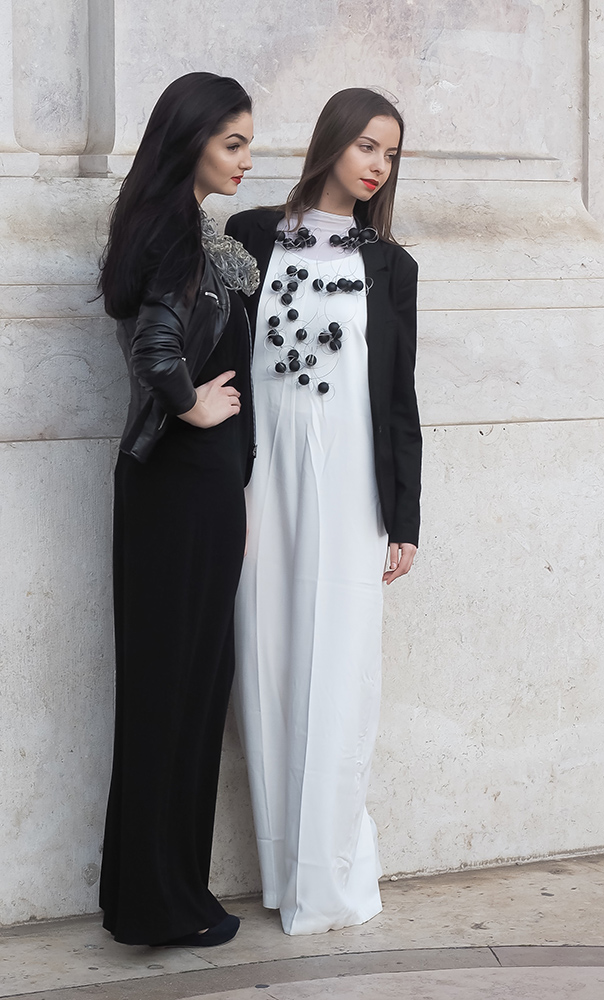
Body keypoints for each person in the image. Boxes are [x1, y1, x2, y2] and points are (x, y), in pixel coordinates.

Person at [226, 88, 422, 936]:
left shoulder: (392, 267)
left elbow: (398, 399)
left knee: (340, 671)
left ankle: (329, 874)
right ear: (332, 140)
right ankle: (283, 873)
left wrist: (404, 518)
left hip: (349, 491)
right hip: (258, 483)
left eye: (391, 154)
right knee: (266, 660)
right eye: (367, 145)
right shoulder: (250, 236)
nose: (378, 165)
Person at [97, 72, 260, 947]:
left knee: (175, 691)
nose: (245, 159)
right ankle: (163, 904)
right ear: (189, 140)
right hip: (183, 488)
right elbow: (158, 351)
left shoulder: (184, 232)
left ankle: (146, 895)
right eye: (232, 142)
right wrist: (193, 403)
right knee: (178, 693)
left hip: (186, 492)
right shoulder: (174, 234)